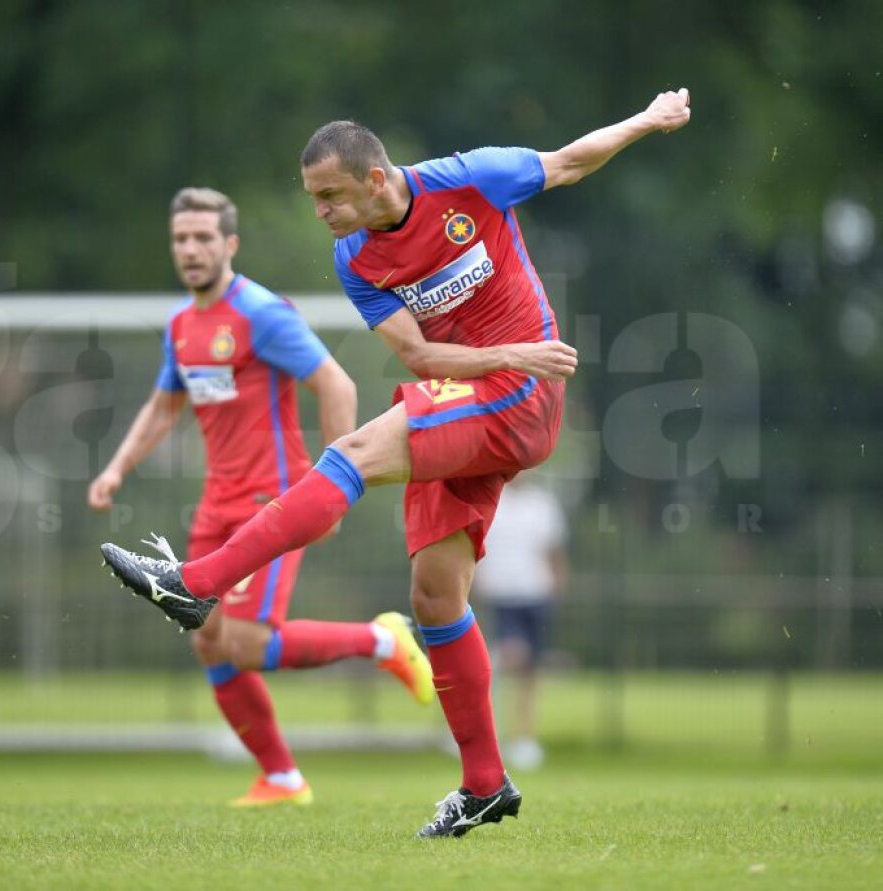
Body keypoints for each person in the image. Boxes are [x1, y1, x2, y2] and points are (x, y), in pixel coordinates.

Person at [101, 89, 691, 837]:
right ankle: (484, 784)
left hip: (522, 395)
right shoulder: (355, 256)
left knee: (350, 452)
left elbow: (571, 161)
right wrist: (507, 351)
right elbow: (415, 354)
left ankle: (195, 584)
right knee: (437, 596)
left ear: (375, 179)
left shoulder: (471, 178)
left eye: (331, 196)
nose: (322, 212)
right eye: (312, 198)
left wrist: (646, 119)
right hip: (480, 383)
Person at [89, 187, 434, 807]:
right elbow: (164, 409)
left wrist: (337, 488)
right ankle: (281, 776)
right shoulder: (182, 326)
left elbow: (336, 384)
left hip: (271, 502)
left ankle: (383, 641)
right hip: (215, 506)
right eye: (180, 238)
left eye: (202, 238)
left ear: (230, 244)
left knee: (246, 643)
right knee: (206, 639)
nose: (190, 249)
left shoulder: (262, 314)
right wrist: (116, 469)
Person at [471, 474, 569, 771]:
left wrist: (557, 584)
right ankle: (483, 733)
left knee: (530, 671)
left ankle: (523, 737)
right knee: (509, 657)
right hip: (501, 596)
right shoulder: (490, 501)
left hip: (535, 594)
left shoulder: (543, 504)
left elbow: (554, 551)